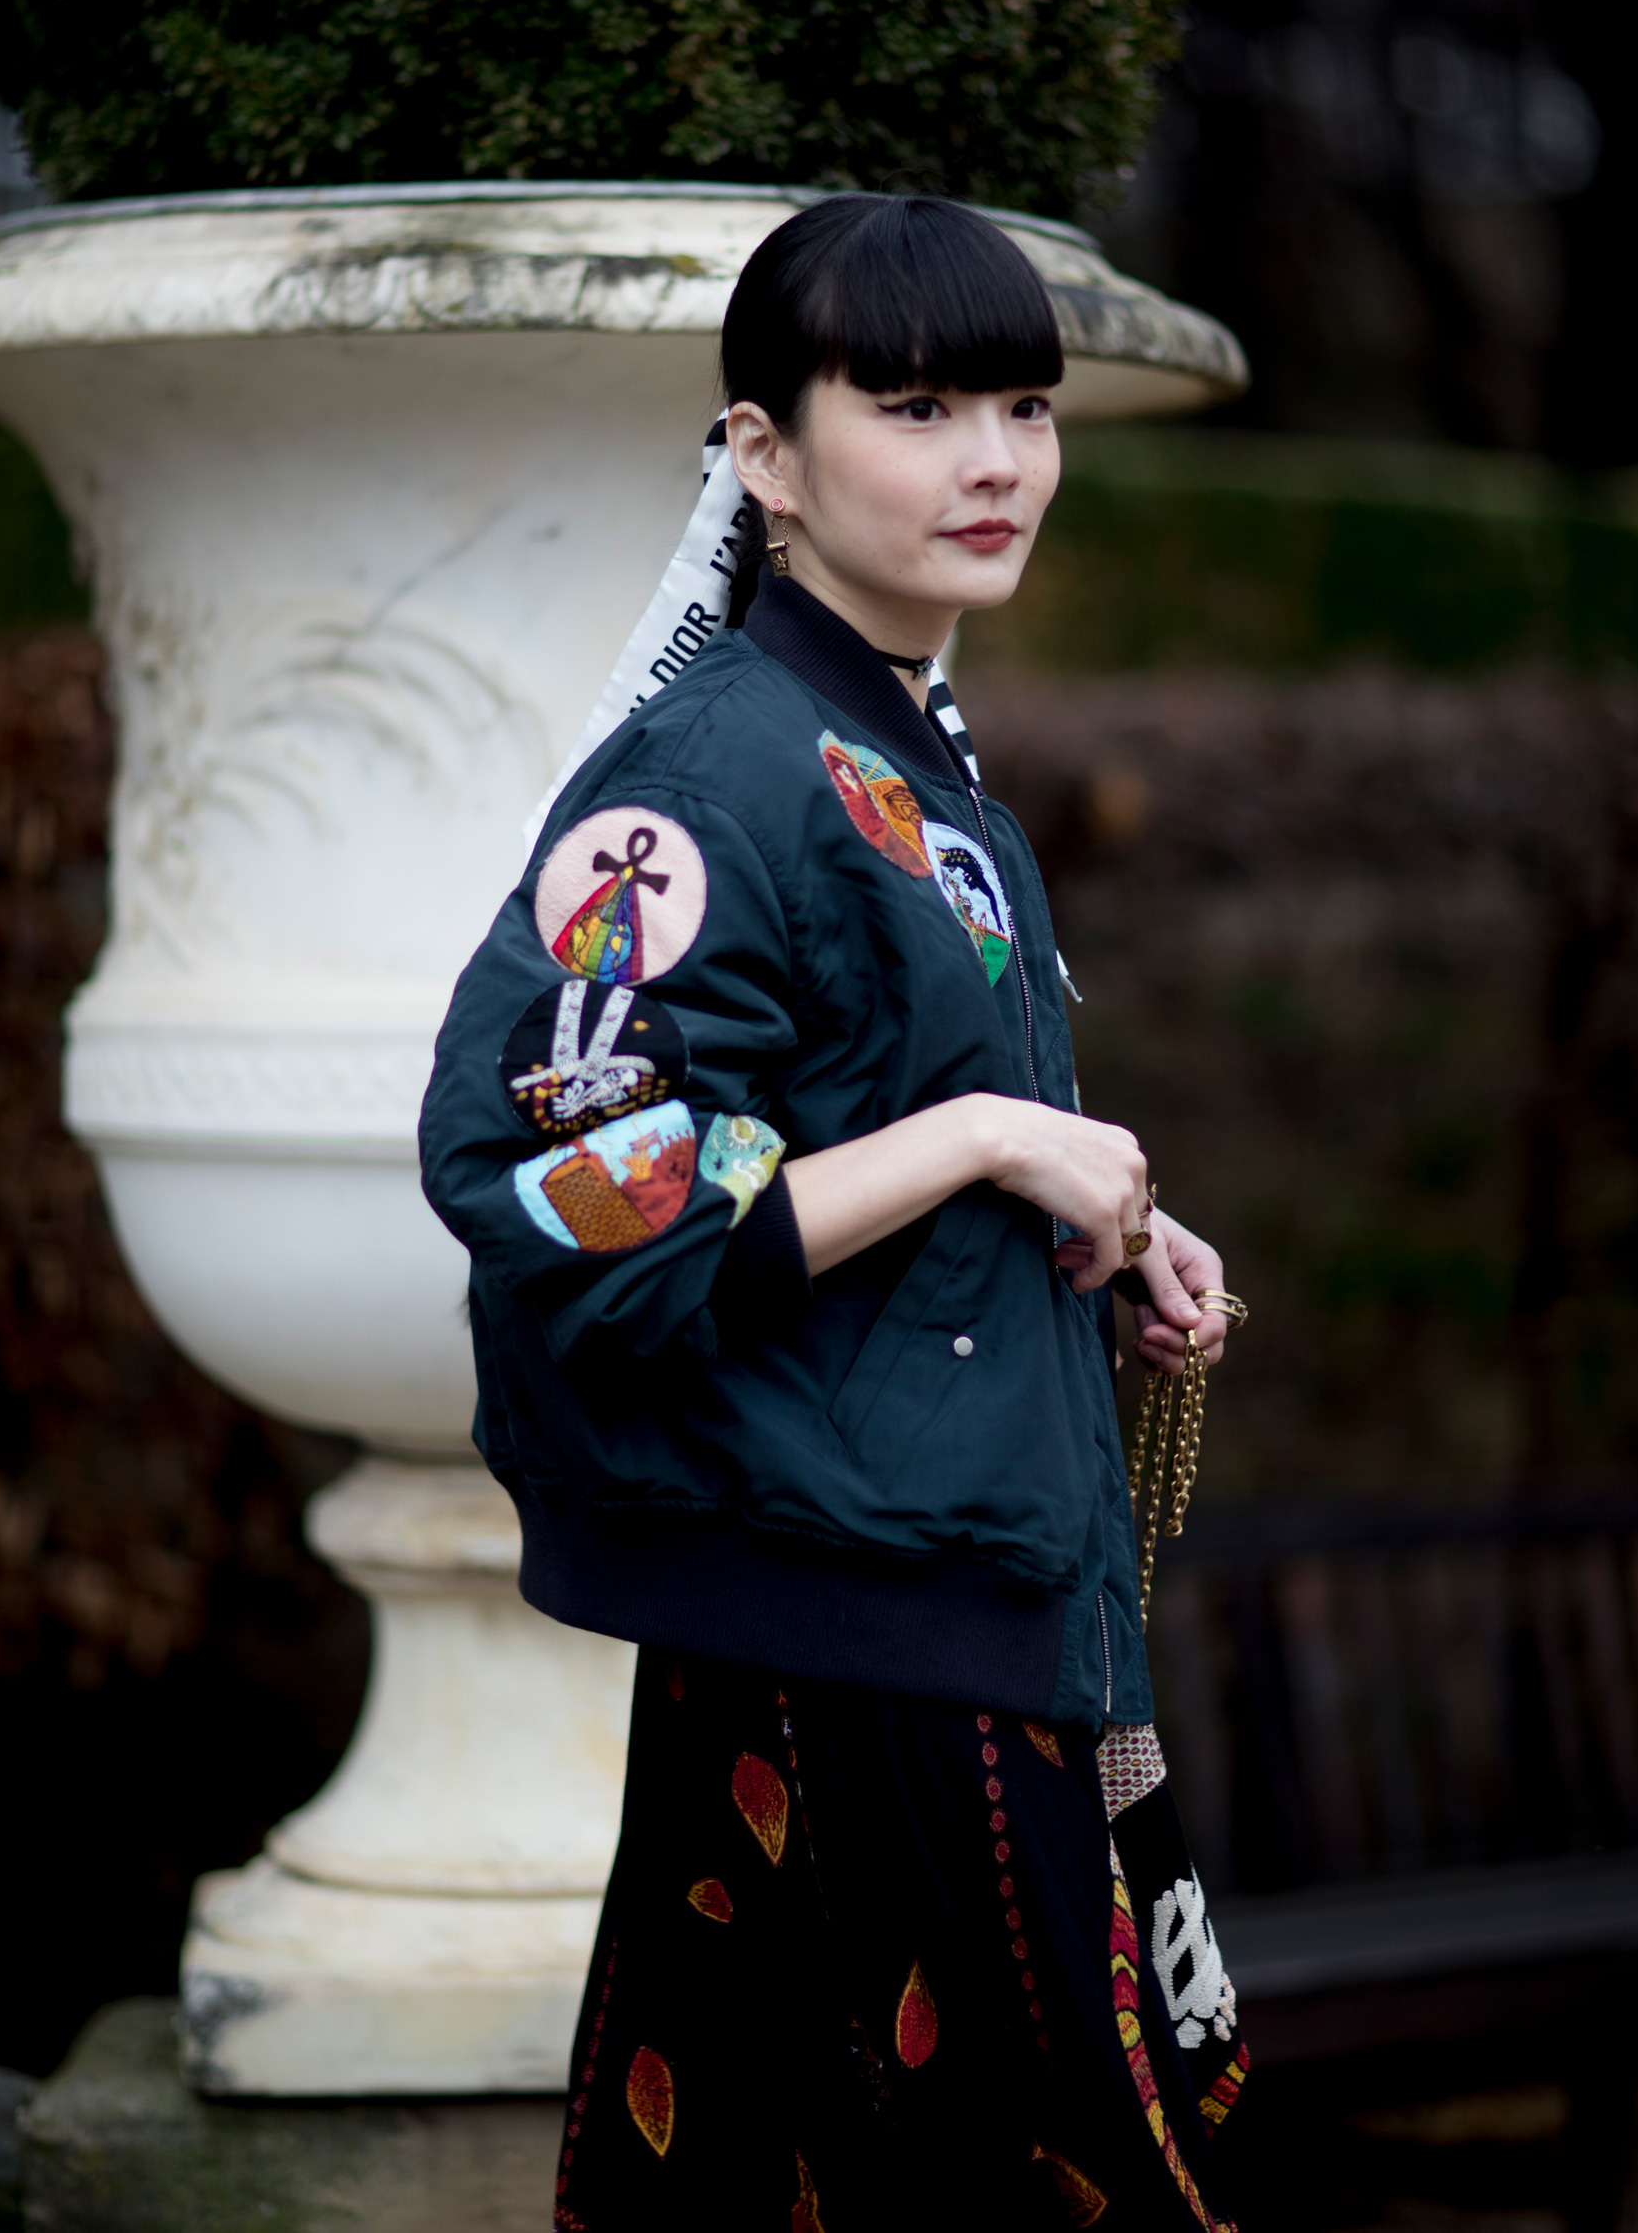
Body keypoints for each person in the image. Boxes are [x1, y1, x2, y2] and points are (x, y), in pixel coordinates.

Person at [420, 194, 1250, 2231]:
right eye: (918, 405)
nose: (996, 459)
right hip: (854, 1645)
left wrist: (1095, 1229)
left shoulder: (906, 759)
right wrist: (979, 1140)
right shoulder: (714, 770)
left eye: (1026, 407)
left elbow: (851, 1151)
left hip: (949, 1595)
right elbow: (561, 1176)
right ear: (763, 456)